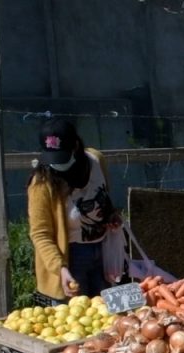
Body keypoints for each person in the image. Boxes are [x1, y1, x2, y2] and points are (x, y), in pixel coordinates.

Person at [27, 118, 120, 301]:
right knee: (78, 314)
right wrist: (60, 268)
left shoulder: (96, 160)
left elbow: (103, 197)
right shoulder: (42, 183)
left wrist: (111, 216)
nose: (57, 164)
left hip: (103, 252)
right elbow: (40, 234)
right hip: (70, 258)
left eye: (62, 156)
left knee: (108, 312)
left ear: (76, 146)